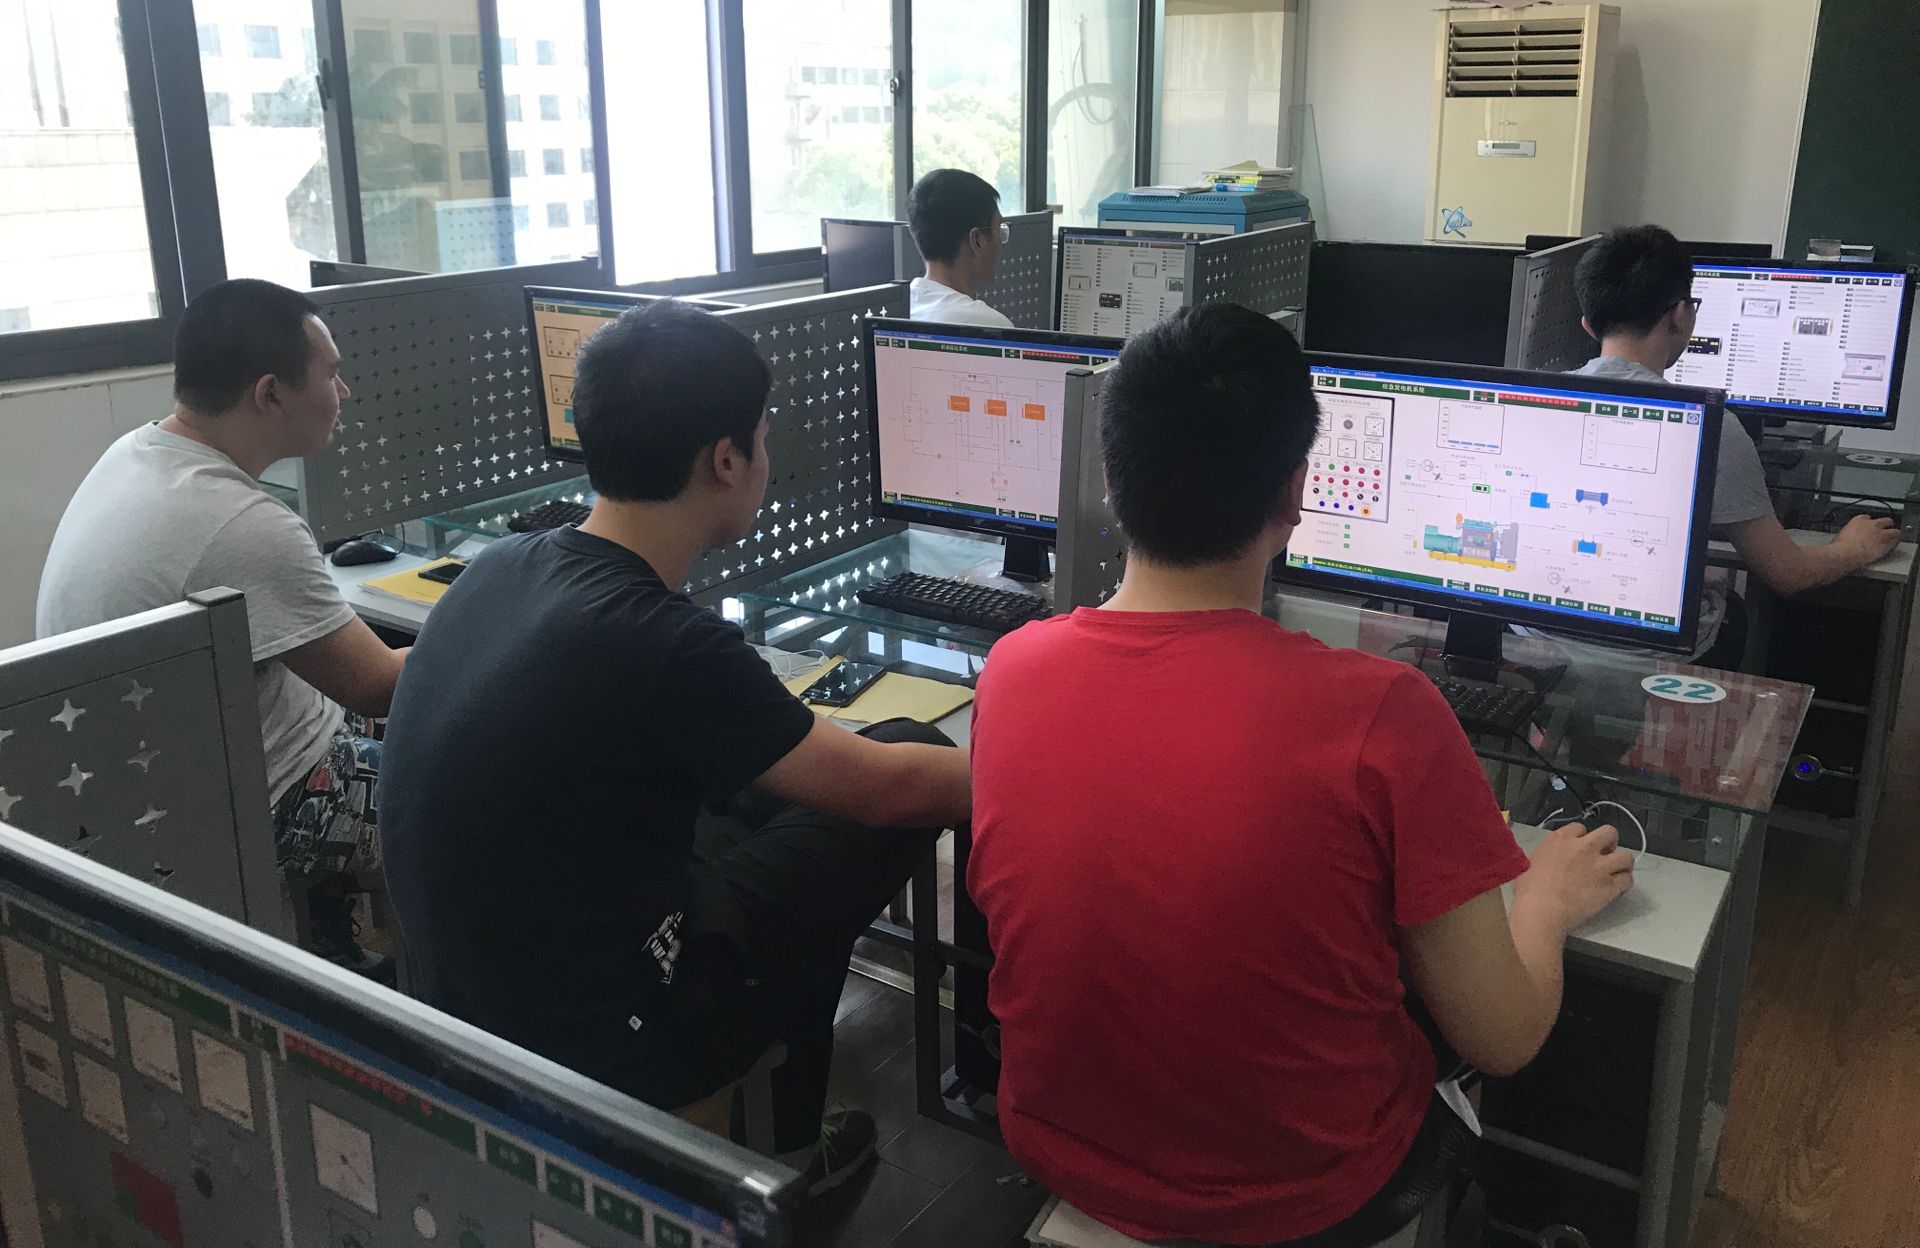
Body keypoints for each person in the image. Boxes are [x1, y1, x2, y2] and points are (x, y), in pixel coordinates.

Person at [966, 303, 1634, 1247]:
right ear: (1295, 492)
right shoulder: (1386, 714)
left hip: (1059, 1143)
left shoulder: (1012, 670)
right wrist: (1547, 900)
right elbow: (1506, 1038)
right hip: (1305, 1195)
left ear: (1110, 481)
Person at [377, 300, 971, 1198]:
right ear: (725, 459)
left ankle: (784, 1117)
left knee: (794, 790)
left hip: (460, 997)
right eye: (763, 438)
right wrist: (1047, 761)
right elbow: (886, 791)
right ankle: (772, 1146)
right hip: (606, 1031)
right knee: (903, 769)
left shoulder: (506, 565)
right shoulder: (665, 641)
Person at [36, 278, 407, 976]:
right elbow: (378, 686)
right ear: (270, 394)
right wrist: (486, 615)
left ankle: (331, 946)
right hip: (252, 805)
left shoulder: (136, 454)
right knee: (473, 771)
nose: (344, 392)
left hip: (148, 787)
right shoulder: (241, 523)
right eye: (330, 374)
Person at [1575, 225, 1898, 662]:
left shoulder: (1535, 403)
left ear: (1588, 324)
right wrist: (1852, 548)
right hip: (1654, 658)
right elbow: (1789, 574)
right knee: (1736, 612)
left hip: (1531, 640)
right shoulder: (1712, 426)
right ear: (1680, 315)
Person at [904, 167, 1015, 328]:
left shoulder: (899, 309)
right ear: (976, 240)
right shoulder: (990, 325)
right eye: (999, 229)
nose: (1001, 241)